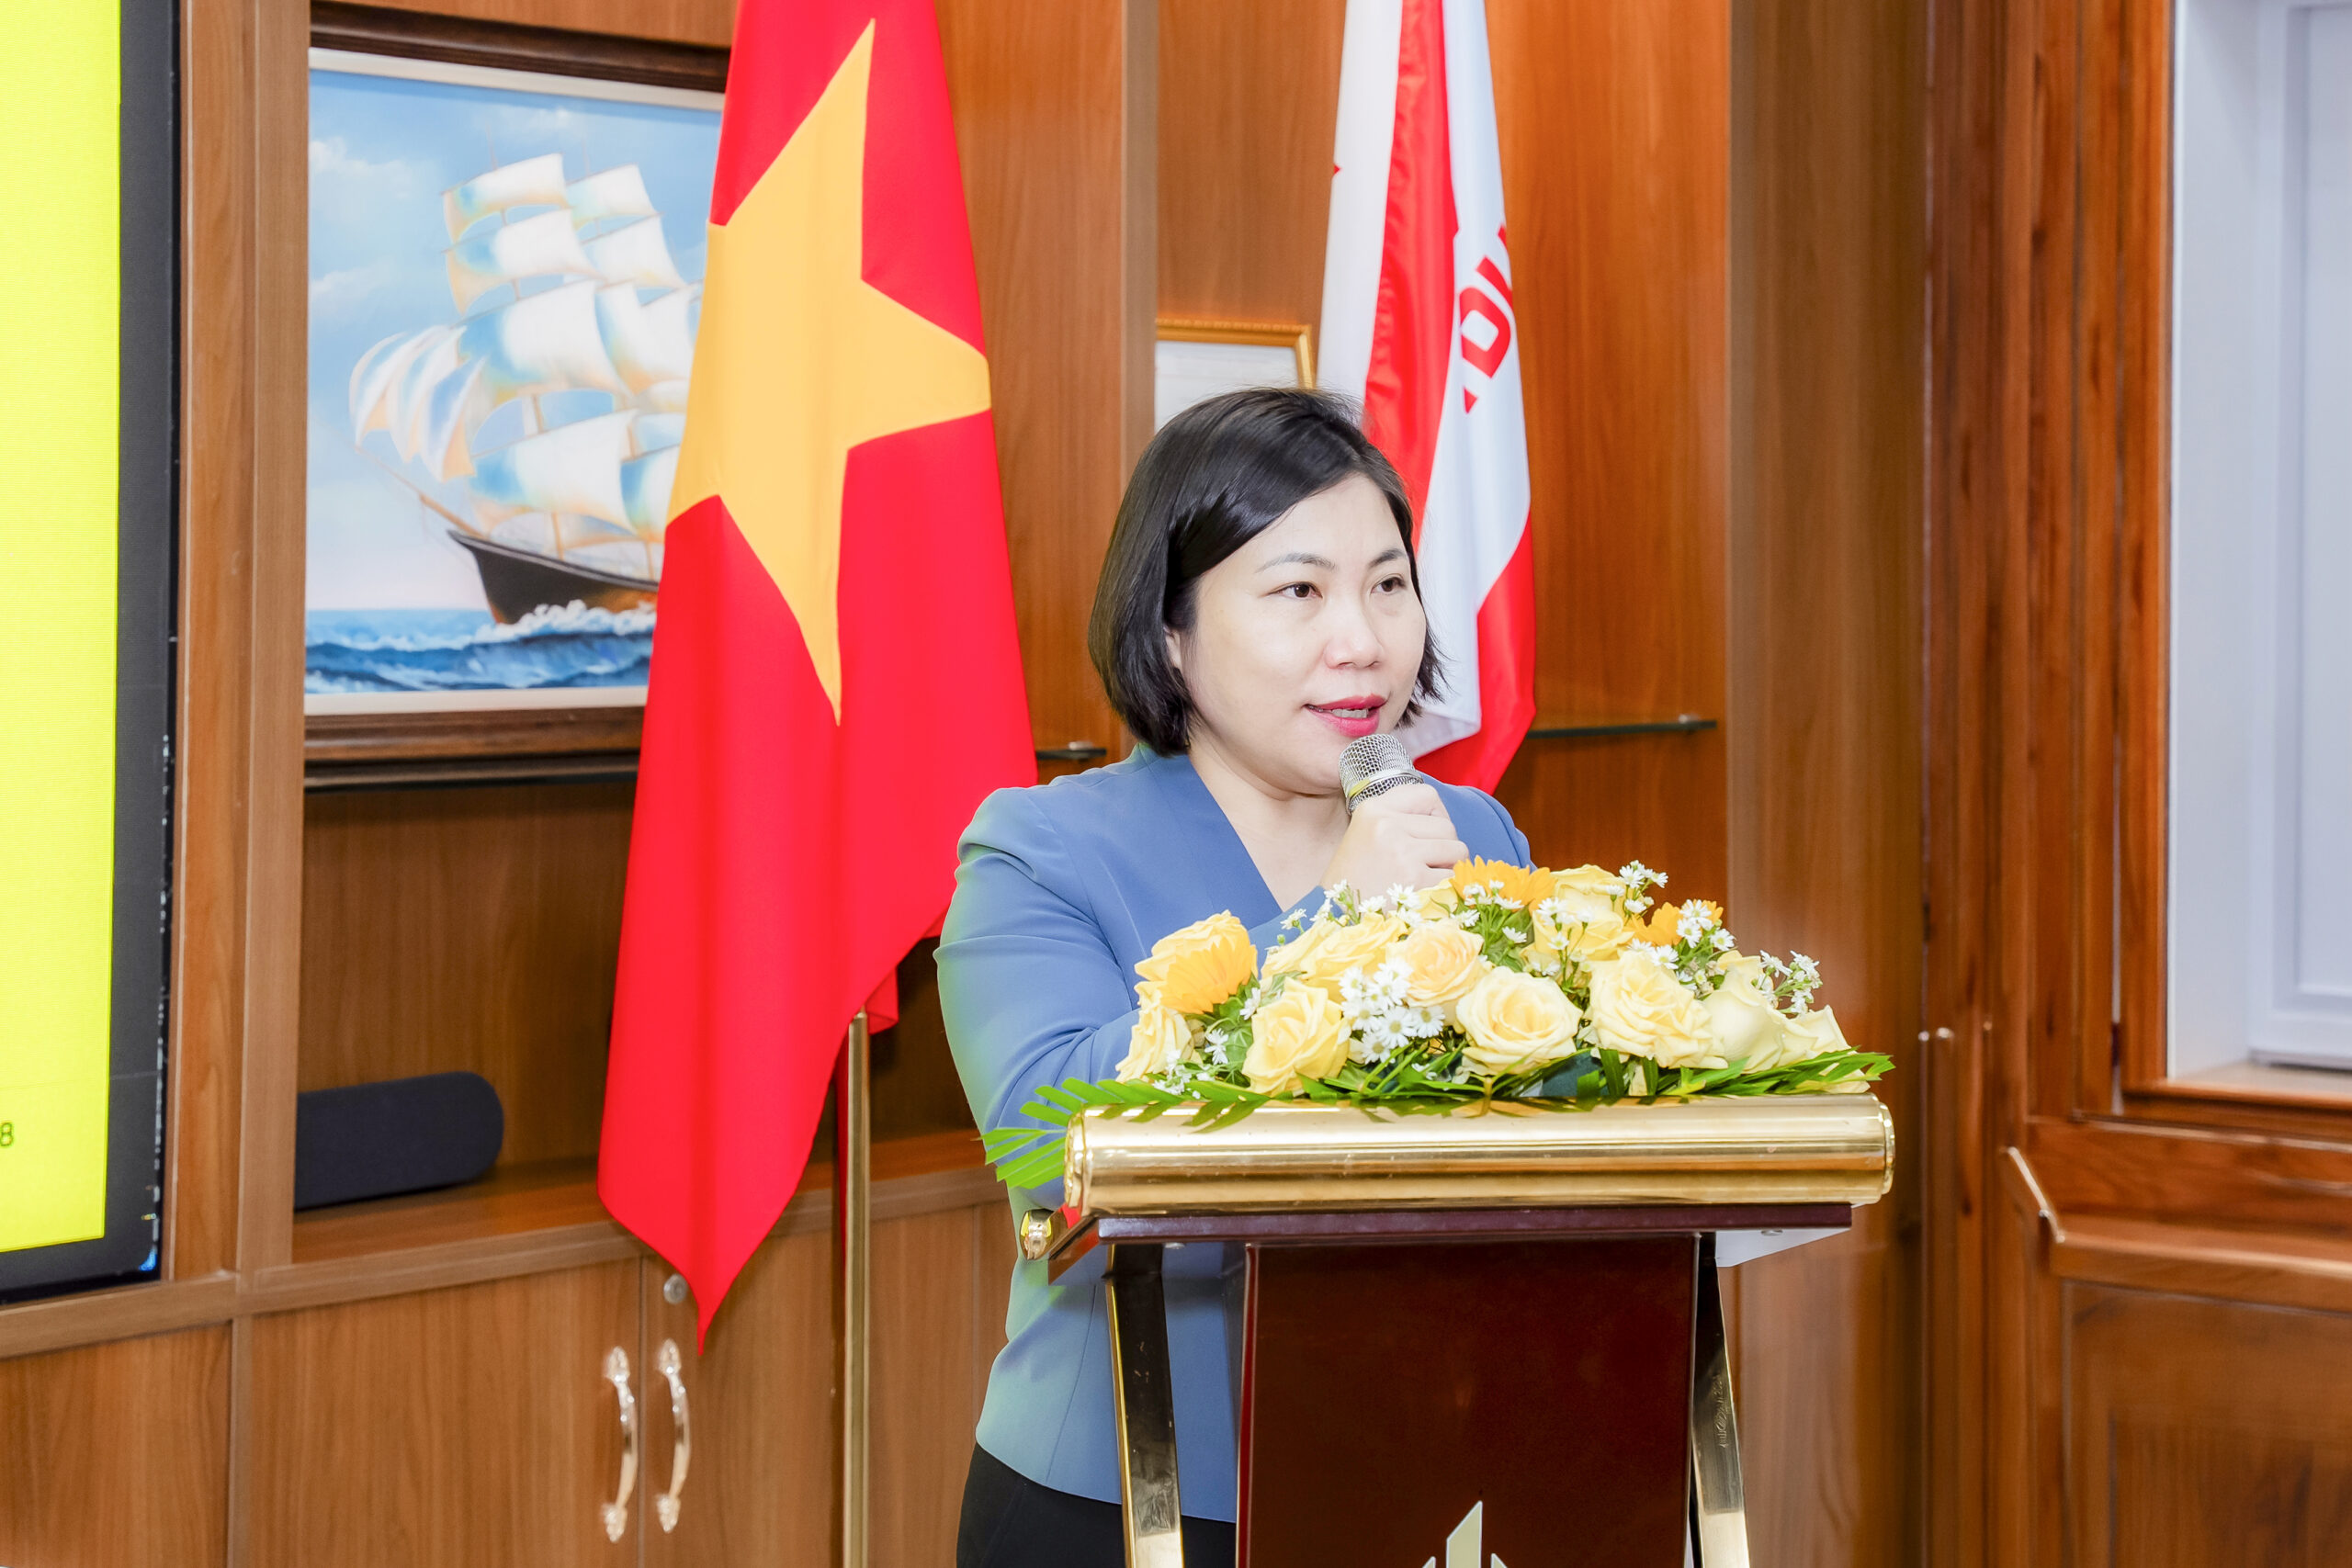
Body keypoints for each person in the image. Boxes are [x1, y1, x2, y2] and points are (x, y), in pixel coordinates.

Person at [939, 388, 1532, 1567]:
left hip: (1417, 1481)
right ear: (1171, 629)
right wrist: (1329, 922)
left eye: (1388, 584)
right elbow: (1046, 1137)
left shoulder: (1469, 834)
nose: (1360, 639)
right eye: (1299, 591)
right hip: (1128, 1493)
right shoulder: (1038, 850)